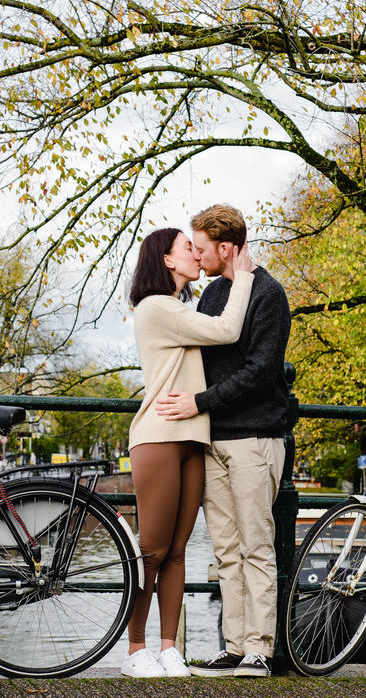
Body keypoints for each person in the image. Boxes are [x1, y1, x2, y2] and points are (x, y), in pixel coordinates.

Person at [155, 205, 291, 679]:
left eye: (201, 247)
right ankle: (234, 645)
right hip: (215, 438)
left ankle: (260, 649)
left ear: (226, 248)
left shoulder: (269, 295)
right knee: (226, 549)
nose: (195, 253)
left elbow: (260, 373)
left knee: (257, 545)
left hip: (254, 438)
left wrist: (199, 403)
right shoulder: (213, 293)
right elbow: (199, 346)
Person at [120, 227, 255, 678]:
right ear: (166, 259)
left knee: (177, 552)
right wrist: (242, 277)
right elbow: (227, 329)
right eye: (187, 248)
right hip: (159, 437)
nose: (196, 254)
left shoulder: (180, 308)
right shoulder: (157, 308)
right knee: (151, 552)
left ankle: (168, 649)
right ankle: (136, 649)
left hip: (193, 438)